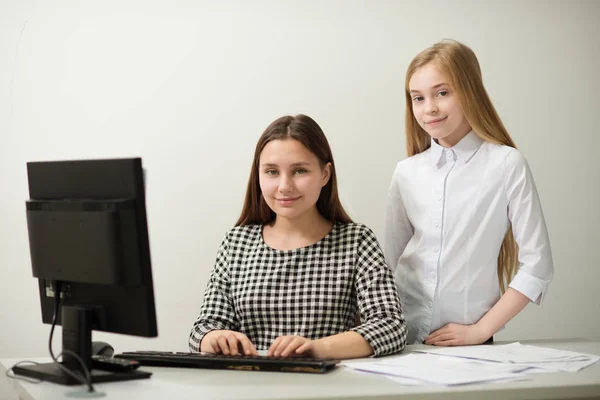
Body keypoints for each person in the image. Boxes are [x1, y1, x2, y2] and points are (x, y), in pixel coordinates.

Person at [189, 114, 406, 358]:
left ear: (325, 174)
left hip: (327, 387)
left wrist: (316, 348)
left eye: (299, 171)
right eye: (271, 172)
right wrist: (217, 338)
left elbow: (391, 326)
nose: (284, 186)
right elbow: (202, 329)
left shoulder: (356, 241)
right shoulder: (236, 243)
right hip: (250, 386)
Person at [384, 40, 554, 346]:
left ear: (470, 91)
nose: (429, 108)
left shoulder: (505, 164)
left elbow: (538, 265)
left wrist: (480, 330)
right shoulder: (406, 172)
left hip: (470, 344)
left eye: (442, 93)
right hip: (402, 339)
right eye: (418, 98)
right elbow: (390, 263)